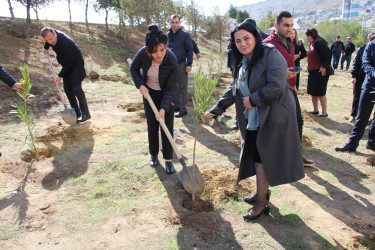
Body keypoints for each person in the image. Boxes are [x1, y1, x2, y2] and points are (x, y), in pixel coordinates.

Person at [203, 22, 304, 220]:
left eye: (246, 38)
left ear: (255, 38)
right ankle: (261, 193)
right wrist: (215, 111)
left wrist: (253, 99)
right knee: (258, 155)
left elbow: (277, 85)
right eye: (238, 41)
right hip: (254, 116)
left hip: (273, 114)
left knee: (262, 157)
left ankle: (261, 202)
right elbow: (234, 89)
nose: (242, 43)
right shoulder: (243, 60)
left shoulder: (270, 53)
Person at [263, 11, 314, 167]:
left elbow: (290, 64)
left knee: (297, 122)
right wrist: (281, 75)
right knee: (277, 126)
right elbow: (261, 71)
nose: (289, 29)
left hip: (290, 89)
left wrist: (293, 85)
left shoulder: (291, 42)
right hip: (275, 91)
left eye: (291, 25)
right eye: (286, 25)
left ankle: (296, 155)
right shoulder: (267, 44)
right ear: (276, 25)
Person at [130, 27, 178, 174]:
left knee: (166, 126)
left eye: (162, 50)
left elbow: (171, 87)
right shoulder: (143, 53)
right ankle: (153, 155)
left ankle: (169, 159)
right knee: (152, 125)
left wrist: (163, 108)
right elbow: (133, 68)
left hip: (166, 95)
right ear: (149, 50)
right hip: (149, 94)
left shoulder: (172, 60)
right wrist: (140, 85)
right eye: (155, 51)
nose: (159, 54)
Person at [41, 27, 91, 123]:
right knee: (67, 88)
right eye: (47, 40)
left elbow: (69, 64)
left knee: (76, 88)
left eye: (51, 39)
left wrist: (59, 76)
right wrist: (46, 47)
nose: (50, 42)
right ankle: (76, 113)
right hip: (67, 64)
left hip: (76, 65)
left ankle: (85, 113)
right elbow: (48, 40)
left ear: (55, 33)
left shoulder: (66, 43)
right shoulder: (51, 37)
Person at [335, 34, 375, 152]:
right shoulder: (370, 46)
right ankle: (352, 144)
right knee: (362, 116)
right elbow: (365, 64)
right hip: (370, 85)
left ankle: (372, 142)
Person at [167, 14, 193, 118]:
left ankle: (183, 109)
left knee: (182, 86)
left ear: (179, 23)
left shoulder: (185, 35)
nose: (174, 24)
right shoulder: (167, 35)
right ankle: (177, 106)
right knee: (174, 86)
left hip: (182, 64)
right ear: (169, 22)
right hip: (170, 65)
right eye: (172, 22)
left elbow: (189, 49)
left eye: (176, 22)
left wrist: (189, 64)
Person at [305, 28, 332, 118]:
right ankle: (315, 110)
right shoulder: (312, 43)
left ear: (309, 36)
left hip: (320, 71)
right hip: (312, 71)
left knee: (320, 92)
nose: (306, 38)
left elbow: (328, 54)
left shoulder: (319, 43)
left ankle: (324, 113)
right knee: (313, 91)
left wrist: (324, 66)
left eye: (306, 36)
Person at [349, 33, 375, 123]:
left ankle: (368, 118)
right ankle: (353, 115)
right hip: (360, 77)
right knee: (357, 96)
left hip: (371, 79)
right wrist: (354, 76)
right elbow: (355, 63)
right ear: (369, 40)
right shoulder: (362, 49)